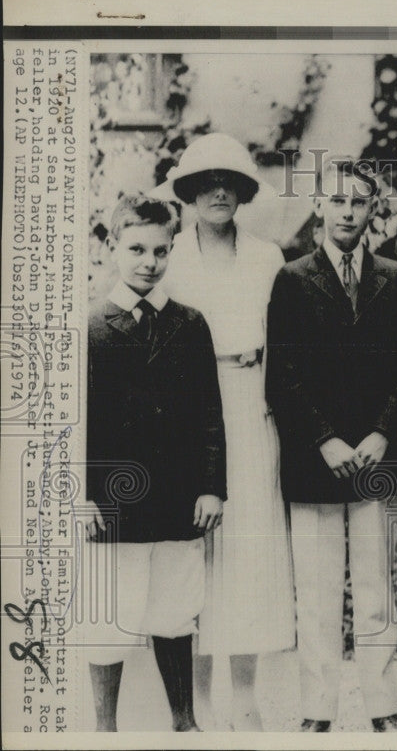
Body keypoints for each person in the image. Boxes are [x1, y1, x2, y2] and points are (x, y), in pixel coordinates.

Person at [265, 158, 397, 732]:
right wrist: (326, 439)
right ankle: (318, 709)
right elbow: (284, 372)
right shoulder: (292, 278)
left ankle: (382, 707)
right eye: (338, 201)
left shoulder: (394, 278)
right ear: (320, 209)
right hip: (316, 459)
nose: (348, 210)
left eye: (359, 201)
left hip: (376, 457)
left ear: (371, 208)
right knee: (319, 589)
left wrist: (382, 433)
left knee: (376, 588)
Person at [159, 132, 295, 731]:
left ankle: (244, 695)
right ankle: (197, 701)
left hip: (251, 402)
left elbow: (286, 346)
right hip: (189, 411)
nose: (218, 191)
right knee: (193, 553)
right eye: (205, 182)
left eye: (229, 182)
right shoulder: (171, 256)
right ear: (186, 192)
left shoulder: (266, 256)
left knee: (248, 550)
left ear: (242, 192)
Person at [84, 194, 226, 732]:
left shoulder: (190, 325)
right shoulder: (91, 325)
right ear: (112, 248)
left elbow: (210, 414)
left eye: (160, 250)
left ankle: (185, 724)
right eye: (137, 248)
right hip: (112, 501)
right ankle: (104, 729)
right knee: (111, 614)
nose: (149, 261)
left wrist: (212, 486)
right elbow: (74, 423)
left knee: (175, 609)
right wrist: (81, 495)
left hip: (176, 497)